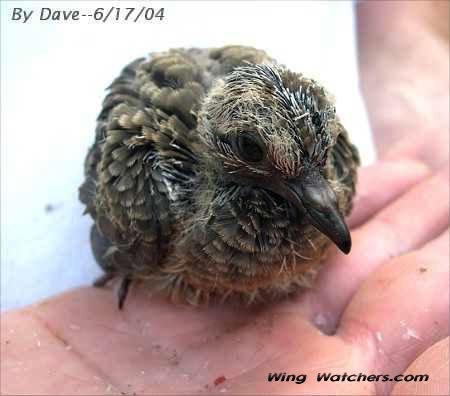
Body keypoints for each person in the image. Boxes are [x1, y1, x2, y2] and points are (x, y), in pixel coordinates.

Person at [2, 2, 448, 395]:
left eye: (320, 159)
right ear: (223, 144)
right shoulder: (158, 188)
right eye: (254, 153)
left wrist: (408, 56)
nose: (324, 200)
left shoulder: (327, 159)